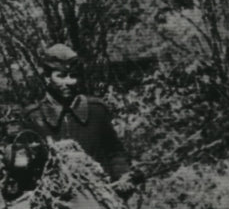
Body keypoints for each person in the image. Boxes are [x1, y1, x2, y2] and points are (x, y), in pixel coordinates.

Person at [21, 43, 142, 197]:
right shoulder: (33, 118)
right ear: (47, 78)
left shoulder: (96, 110)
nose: (69, 82)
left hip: (101, 196)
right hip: (56, 202)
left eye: (73, 76)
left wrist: (123, 176)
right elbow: (28, 168)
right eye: (61, 76)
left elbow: (114, 151)